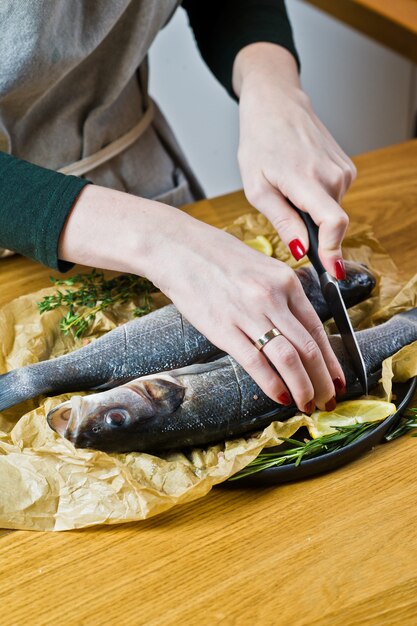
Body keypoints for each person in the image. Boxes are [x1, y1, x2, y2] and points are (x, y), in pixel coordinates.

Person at [0, 1, 355, 415]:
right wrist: (163, 240)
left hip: (138, 176)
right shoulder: (168, 238)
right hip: (129, 232)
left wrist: (271, 85)